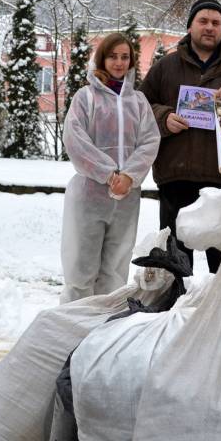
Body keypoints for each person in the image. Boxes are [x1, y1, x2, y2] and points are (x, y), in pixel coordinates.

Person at [140, 0, 221, 273]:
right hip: (175, 177)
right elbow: (139, 106)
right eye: (203, 21)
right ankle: (172, 311)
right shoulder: (166, 66)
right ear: (190, 26)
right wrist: (164, 118)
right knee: (174, 265)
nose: (209, 27)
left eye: (216, 23)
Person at [60, 32, 160, 303]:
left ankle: (104, 329)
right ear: (102, 58)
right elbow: (75, 139)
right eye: (113, 56)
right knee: (81, 269)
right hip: (90, 194)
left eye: (124, 57)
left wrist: (129, 176)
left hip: (126, 198)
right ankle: (72, 330)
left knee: (116, 271)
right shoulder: (86, 97)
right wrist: (108, 173)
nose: (118, 62)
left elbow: (150, 140)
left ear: (131, 61)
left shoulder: (138, 102)